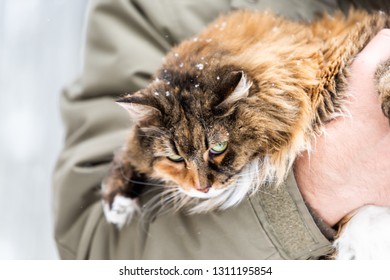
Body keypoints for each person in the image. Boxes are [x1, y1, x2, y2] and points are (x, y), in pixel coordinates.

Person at [53, 0, 390, 259]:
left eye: (216, 152)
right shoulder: (148, 11)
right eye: (178, 160)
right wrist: (314, 192)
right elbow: (93, 246)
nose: (200, 184)